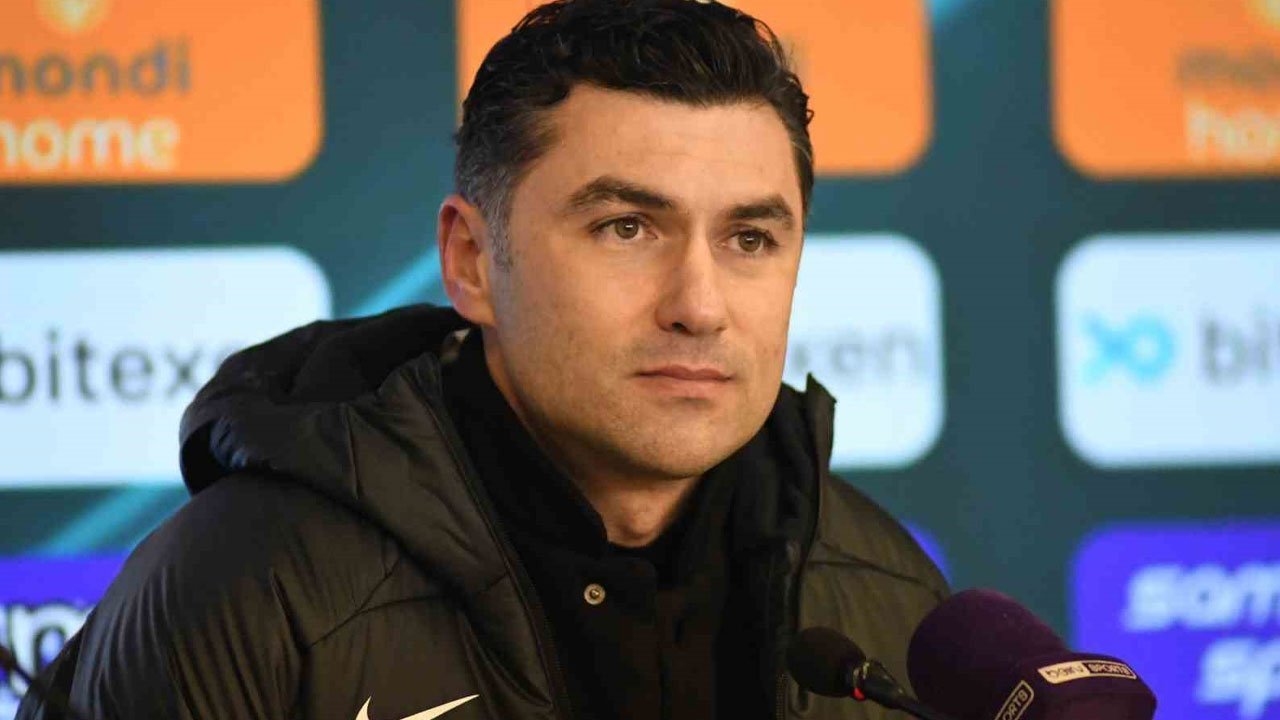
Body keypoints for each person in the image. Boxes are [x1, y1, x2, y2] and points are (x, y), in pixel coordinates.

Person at [19, 1, 947, 718]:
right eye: (626, 228)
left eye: (749, 239)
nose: (699, 306)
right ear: (471, 261)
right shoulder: (246, 590)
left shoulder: (892, 600)